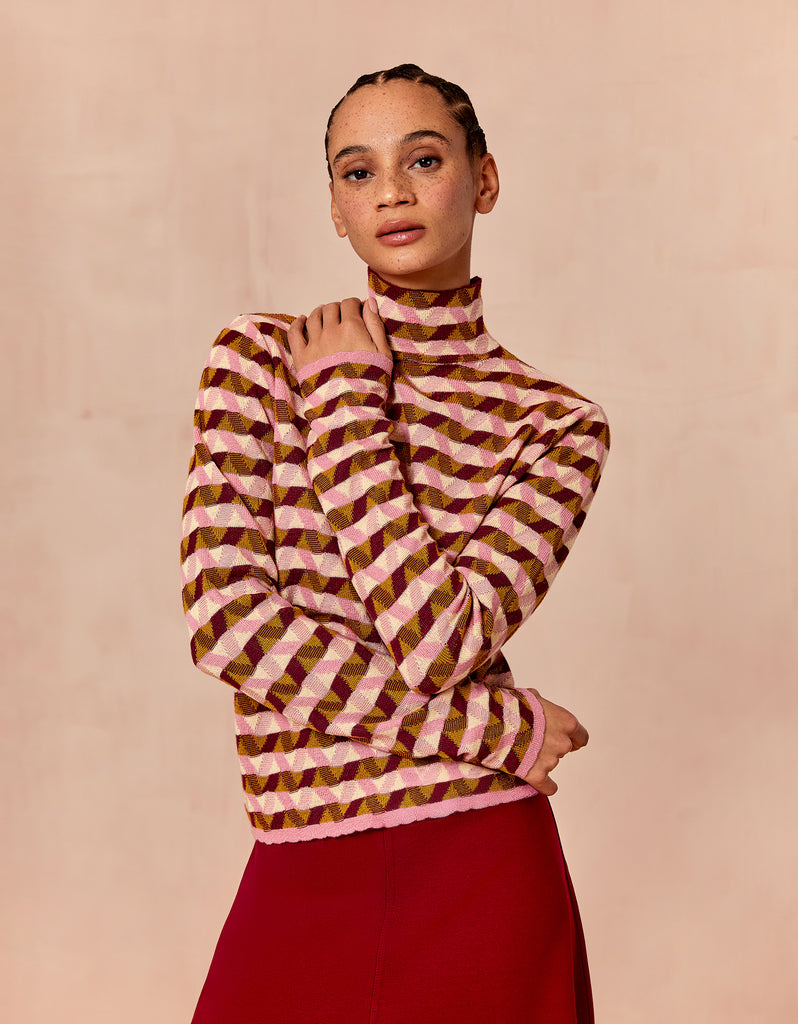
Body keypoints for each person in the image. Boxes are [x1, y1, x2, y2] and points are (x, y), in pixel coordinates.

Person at [180, 63, 610, 1024]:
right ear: (335, 209)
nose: (392, 193)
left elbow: (440, 642)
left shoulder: (555, 423)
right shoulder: (257, 358)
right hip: (304, 847)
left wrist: (346, 410)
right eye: (358, 171)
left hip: (480, 859)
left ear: (483, 180)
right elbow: (229, 626)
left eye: (423, 160)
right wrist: (491, 731)